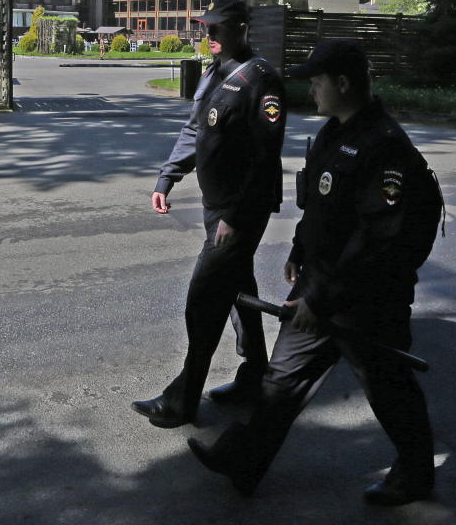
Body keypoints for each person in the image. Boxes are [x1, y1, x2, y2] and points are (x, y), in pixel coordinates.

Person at [187, 39, 442, 506]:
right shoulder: (334, 134)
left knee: (388, 387)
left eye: (318, 81)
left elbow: (377, 244)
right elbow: (324, 209)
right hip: (320, 284)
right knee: (282, 378)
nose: (312, 91)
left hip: (366, 299)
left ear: (343, 83)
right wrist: (299, 253)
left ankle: (416, 474)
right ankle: (243, 461)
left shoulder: (383, 148)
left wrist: (321, 300)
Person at [131, 0, 287, 428]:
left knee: (204, 300)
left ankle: (182, 399)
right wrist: (168, 177)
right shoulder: (213, 72)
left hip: (239, 211)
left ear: (240, 28)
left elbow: (264, 155)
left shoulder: (262, 81)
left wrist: (234, 217)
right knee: (237, 285)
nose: (208, 36)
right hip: (216, 204)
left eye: (216, 29)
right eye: (205, 29)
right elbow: (195, 128)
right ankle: (255, 374)